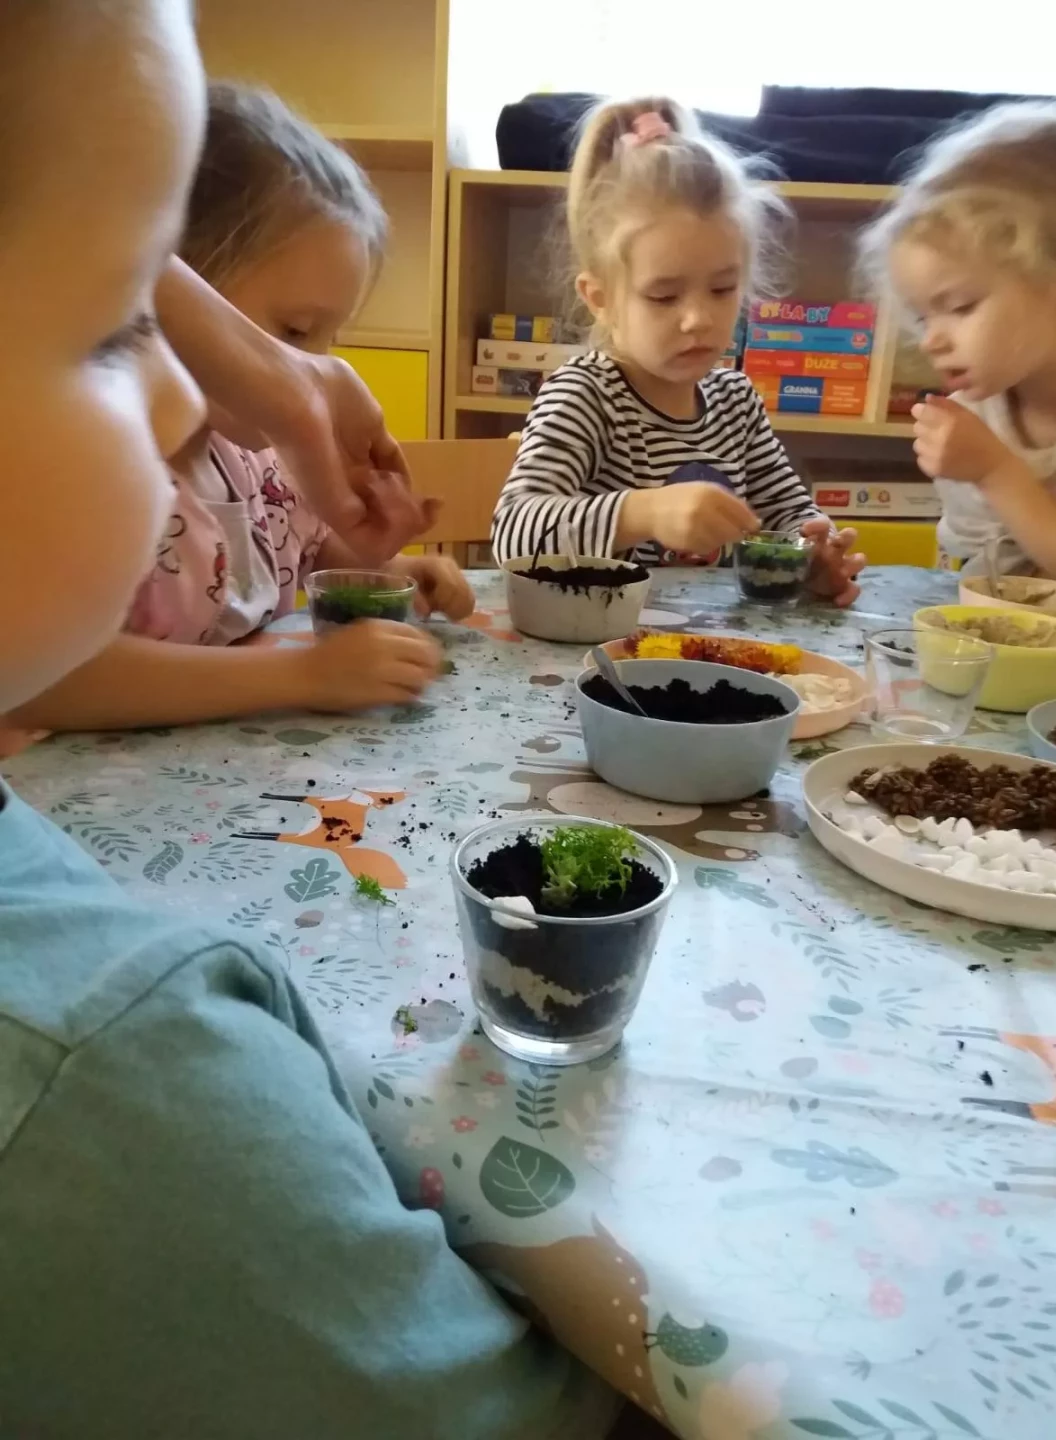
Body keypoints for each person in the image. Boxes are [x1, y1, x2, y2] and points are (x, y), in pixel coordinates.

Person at [0, 3, 640, 1434]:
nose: (189, 389)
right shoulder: (109, 1071)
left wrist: (297, 416)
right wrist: (296, 671)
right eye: (120, 326)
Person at [14, 82, 473, 732]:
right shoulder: (92, 475)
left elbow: (302, 554)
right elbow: (46, 679)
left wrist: (388, 573)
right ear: (173, 291)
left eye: (330, 339)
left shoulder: (257, 460)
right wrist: (300, 676)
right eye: (294, 332)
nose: (314, 368)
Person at [490, 97, 864, 607]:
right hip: (596, 644)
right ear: (600, 298)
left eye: (722, 289)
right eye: (664, 296)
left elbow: (788, 514)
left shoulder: (736, 402)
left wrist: (813, 557)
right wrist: (645, 513)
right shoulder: (584, 396)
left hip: (709, 643)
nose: (698, 319)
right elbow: (514, 535)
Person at [861, 101, 1056, 579]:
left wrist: (992, 471)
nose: (932, 341)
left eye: (961, 307)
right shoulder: (981, 412)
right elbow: (990, 567)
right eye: (923, 316)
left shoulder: (987, 447)